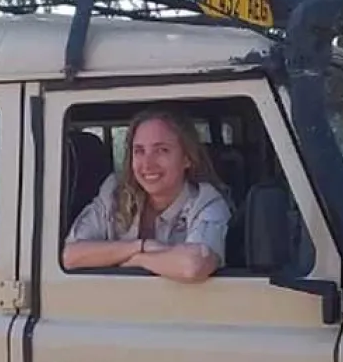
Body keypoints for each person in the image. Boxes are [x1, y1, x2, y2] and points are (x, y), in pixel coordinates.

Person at [62, 108, 231, 283]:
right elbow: (69, 256)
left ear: (187, 158)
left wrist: (136, 260)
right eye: (139, 151)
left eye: (161, 150)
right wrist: (142, 246)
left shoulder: (206, 201)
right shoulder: (114, 193)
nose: (148, 164)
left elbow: (193, 266)